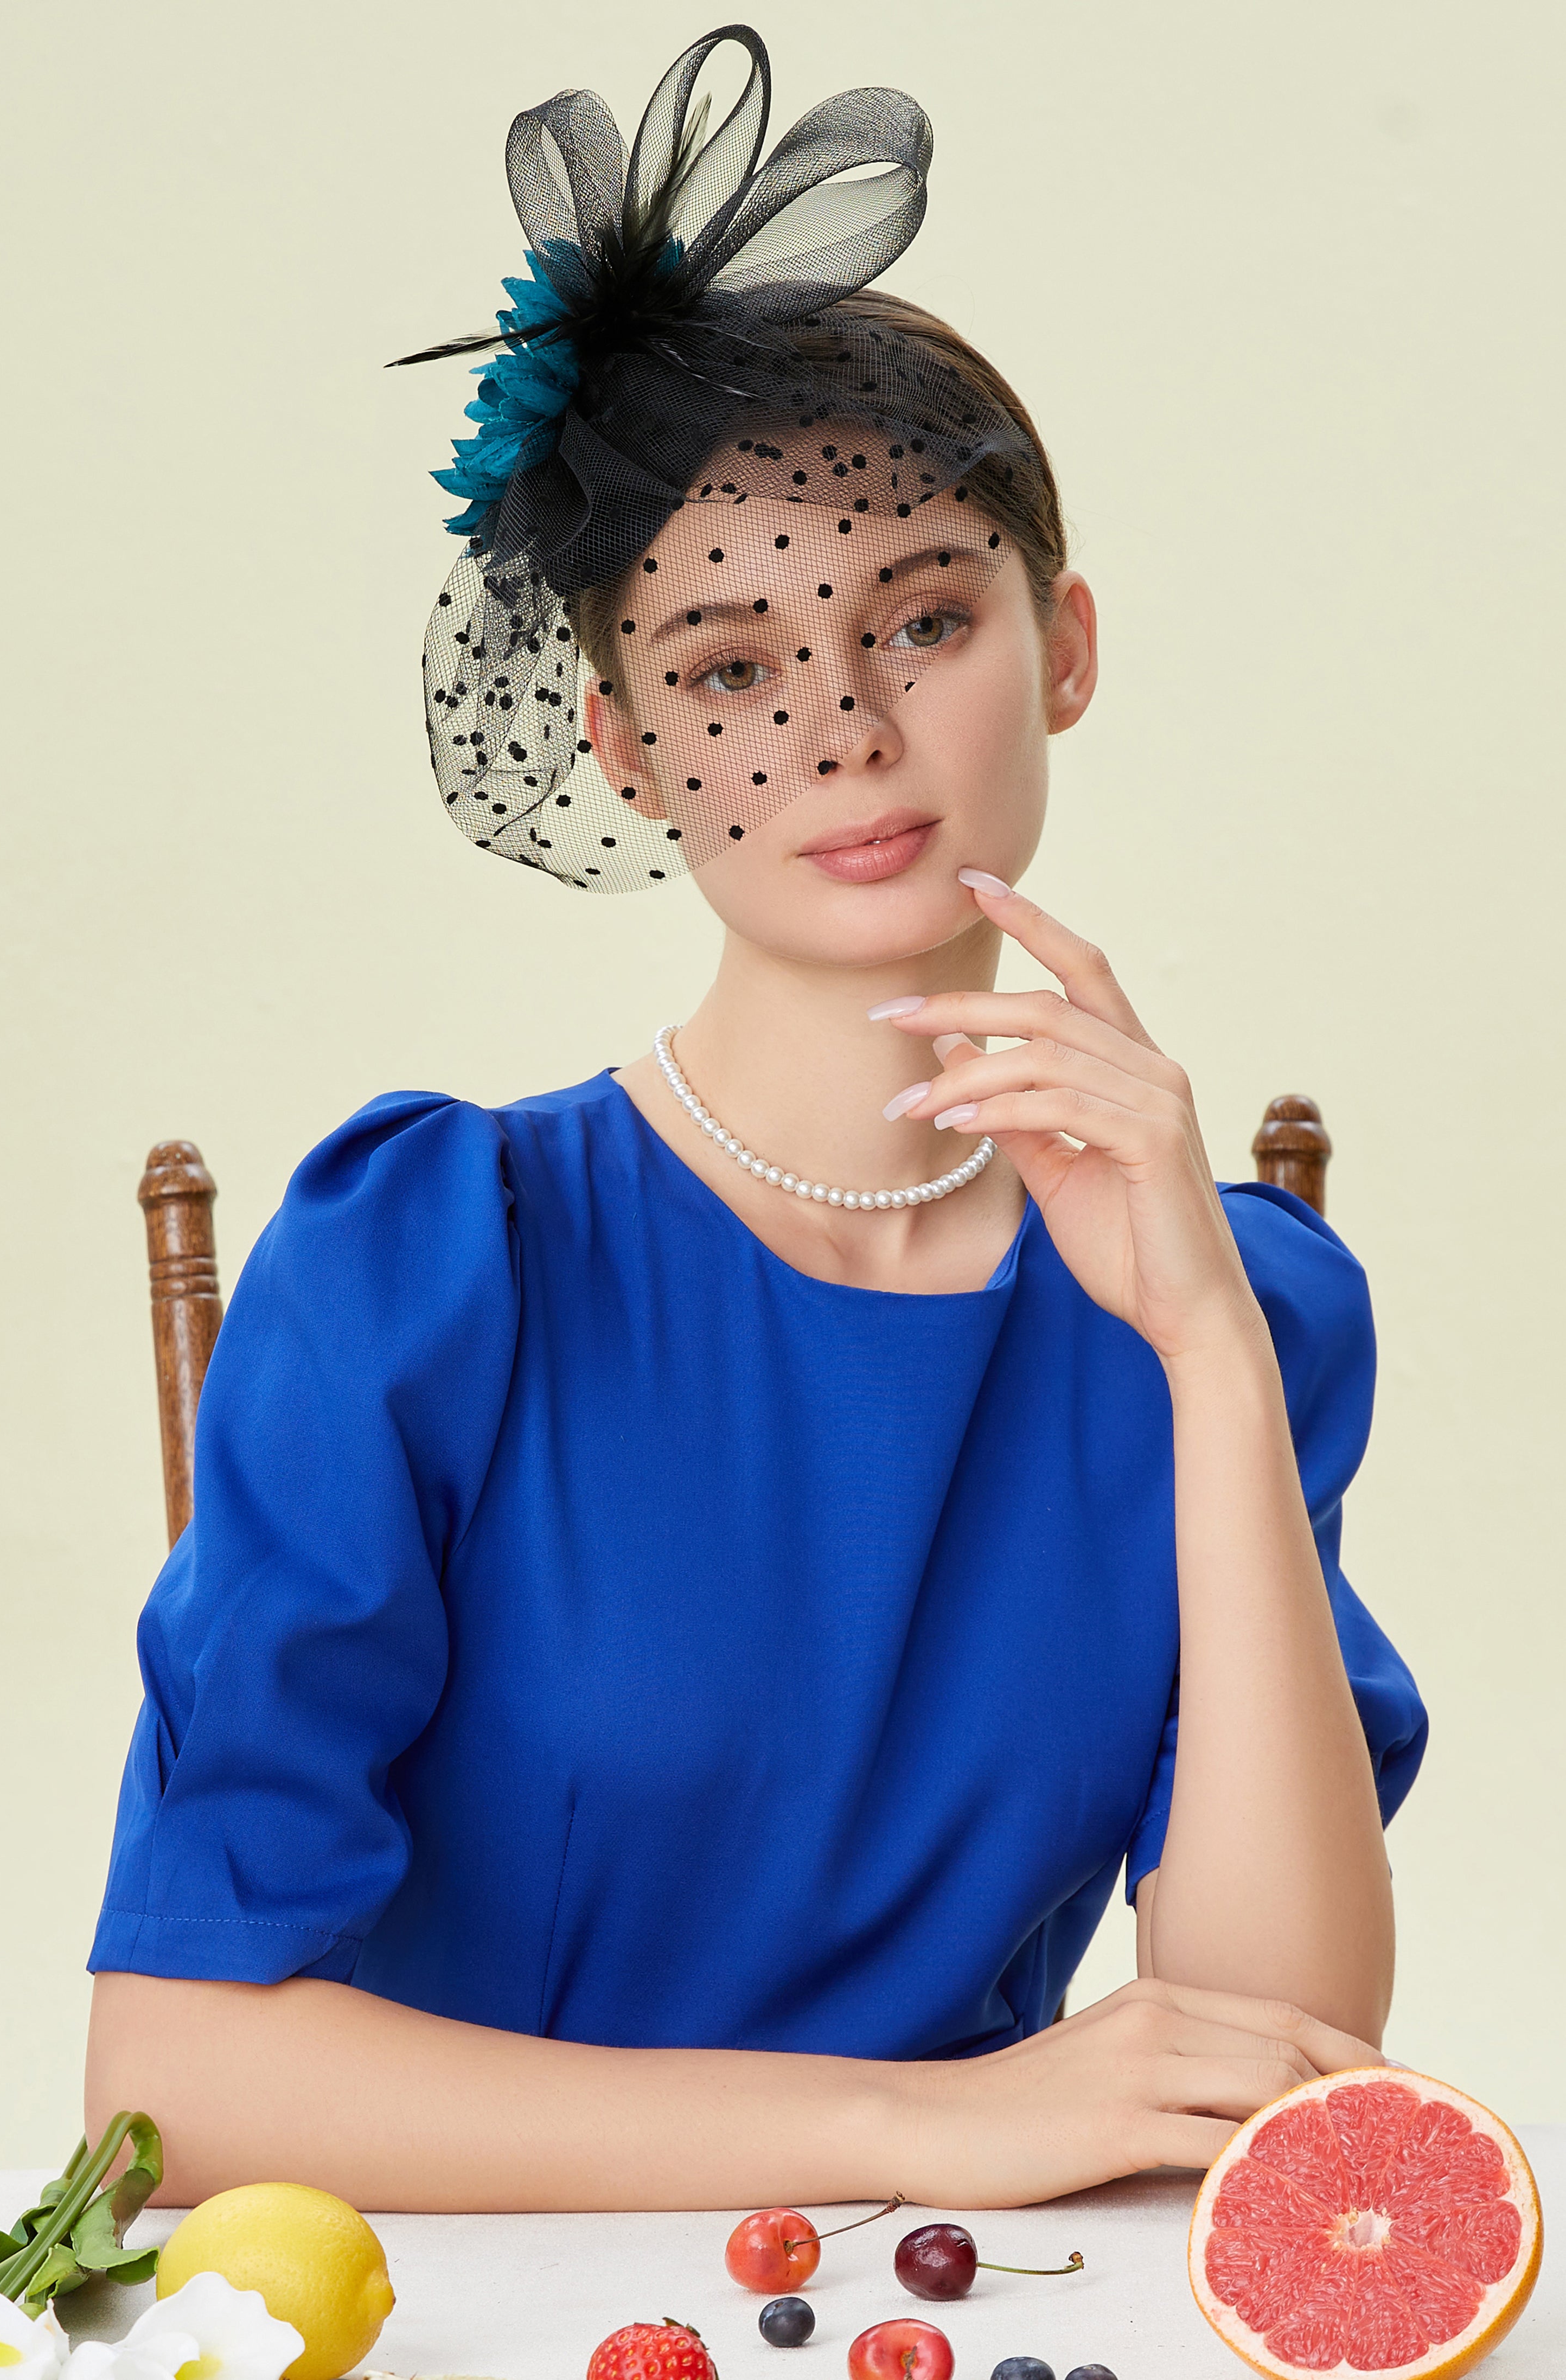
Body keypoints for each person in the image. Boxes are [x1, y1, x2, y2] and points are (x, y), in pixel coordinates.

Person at [85, 27, 1426, 2214]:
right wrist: (927, 2121)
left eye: (924, 618)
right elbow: (169, 2076)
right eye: (726, 667)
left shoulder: (1238, 1303)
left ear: (1065, 645)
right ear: (620, 745)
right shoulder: (431, 1265)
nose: (844, 725)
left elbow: (1278, 2067)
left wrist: (1202, 1347)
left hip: (955, 2328)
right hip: (481, 2326)